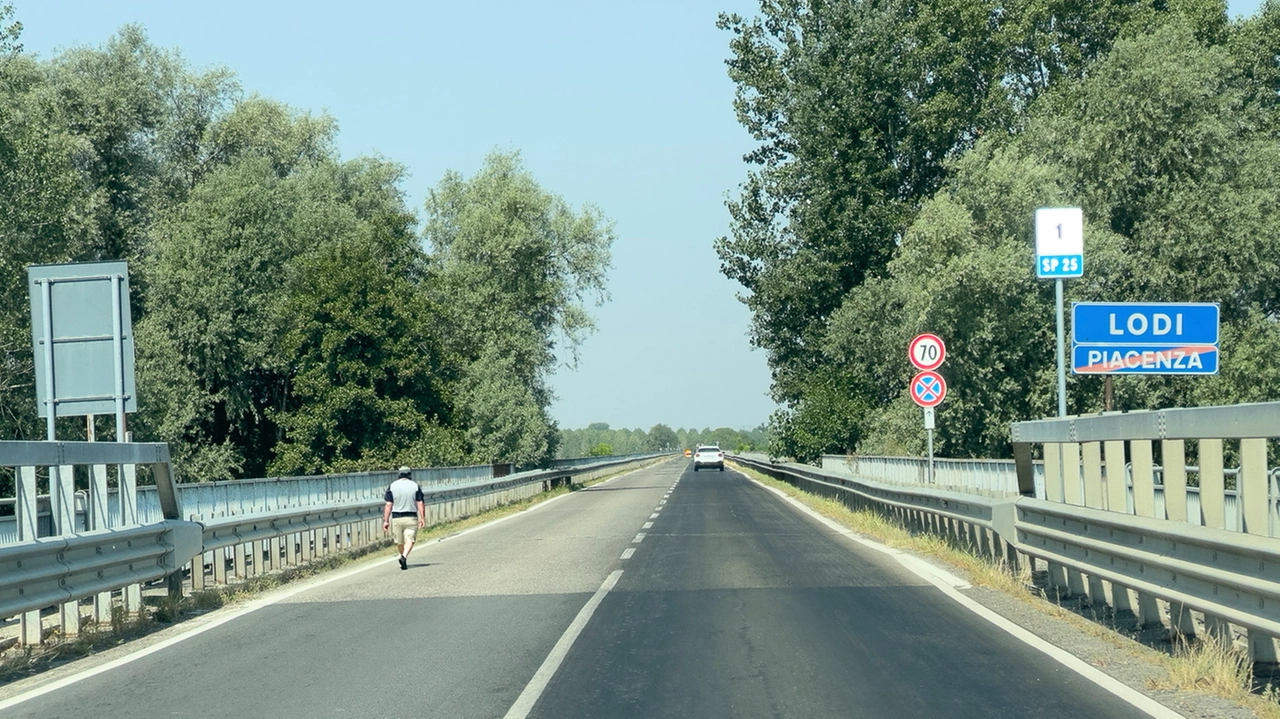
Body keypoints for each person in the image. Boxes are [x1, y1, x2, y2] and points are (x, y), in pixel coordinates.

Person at [383, 466, 425, 570]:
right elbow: (420, 502)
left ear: (399, 474)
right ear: (409, 474)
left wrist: (386, 520)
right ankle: (404, 556)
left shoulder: (392, 486)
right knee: (410, 538)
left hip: (397, 517)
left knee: (400, 541)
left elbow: (388, 504)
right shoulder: (415, 486)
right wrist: (422, 517)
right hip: (411, 517)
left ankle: (403, 557)